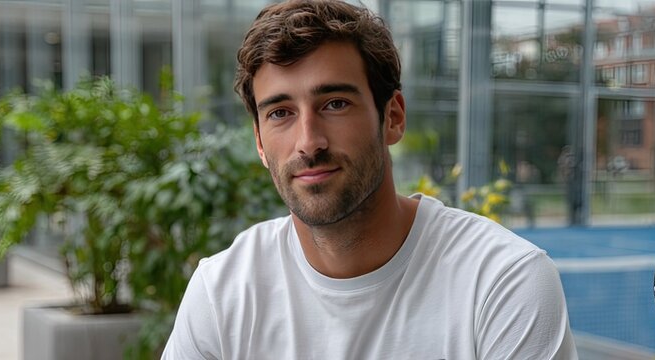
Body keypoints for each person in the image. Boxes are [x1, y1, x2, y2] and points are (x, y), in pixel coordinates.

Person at [162, 0, 577, 359]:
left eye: (335, 103)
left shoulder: (502, 281)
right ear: (259, 141)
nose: (308, 142)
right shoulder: (223, 291)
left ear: (392, 117)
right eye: (280, 113)